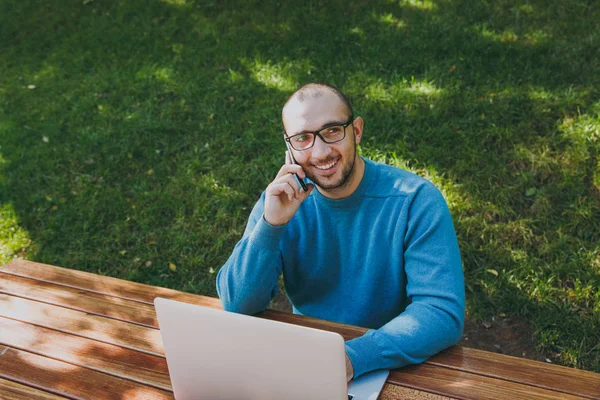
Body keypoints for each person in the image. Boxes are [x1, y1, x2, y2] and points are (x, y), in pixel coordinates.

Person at [216, 82, 465, 381]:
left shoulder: (416, 200)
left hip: (394, 361)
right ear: (289, 147)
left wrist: (351, 358)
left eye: (332, 130)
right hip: (308, 361)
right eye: (303, 138)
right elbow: (237, 303)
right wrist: (271, 227)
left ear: (356, 130)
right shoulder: (281, 201)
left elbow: (441, 311)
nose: (320, 152)